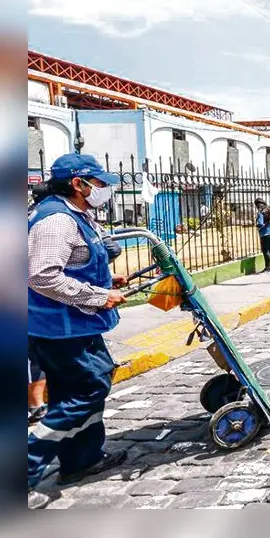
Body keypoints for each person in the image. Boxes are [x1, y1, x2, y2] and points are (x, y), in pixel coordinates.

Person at [28, 153, 131, 509]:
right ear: (78, 184)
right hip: (59, 327)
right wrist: (99, 295)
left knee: (78, 390)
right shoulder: (56, 221)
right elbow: (42, 276)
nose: (104, 189)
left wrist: (106, 279)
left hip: (74, 323)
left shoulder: (76, 215)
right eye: (99, 183)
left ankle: (82, 459)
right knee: (88, 388)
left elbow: (74, 264)